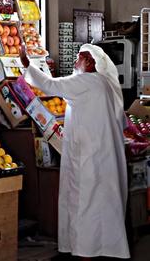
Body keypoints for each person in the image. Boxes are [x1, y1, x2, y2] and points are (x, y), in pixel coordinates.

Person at [20, 44, 130, 260]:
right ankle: (102, 249)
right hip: (100, 154)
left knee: (85, 205)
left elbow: (50, 85)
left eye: (79, 58)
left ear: (90, 62)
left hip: (88, 156)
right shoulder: (104, 83)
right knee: (100, 205)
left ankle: (85, 252)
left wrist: (27, 64)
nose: (74, 62)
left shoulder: (85, 81)